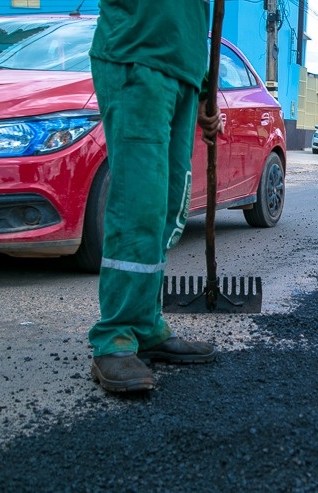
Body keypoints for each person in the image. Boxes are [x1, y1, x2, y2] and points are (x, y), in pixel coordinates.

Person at [88, 0, 223, 393]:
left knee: (166, 207)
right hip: (137, 55)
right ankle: (114, 334)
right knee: (138, 205)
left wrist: (201, 90)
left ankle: (145, 324)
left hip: (183, 71)